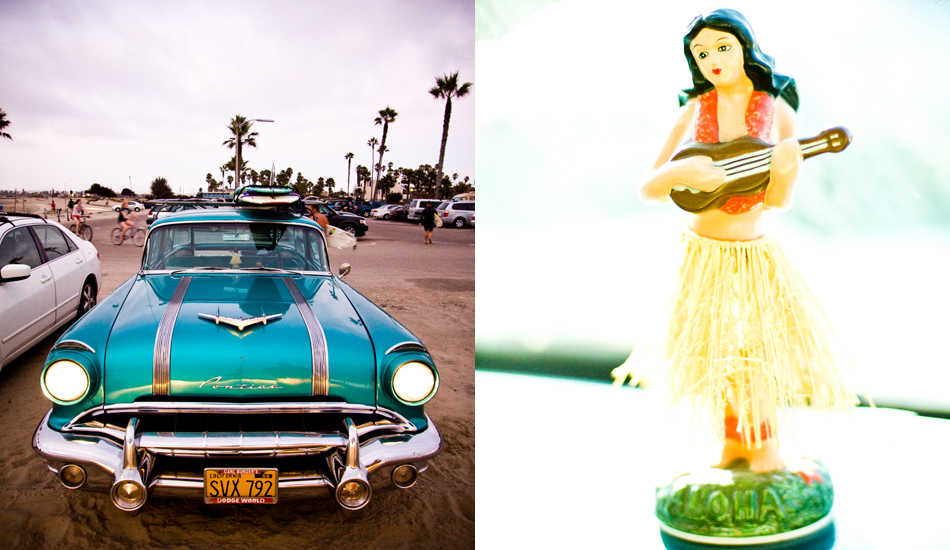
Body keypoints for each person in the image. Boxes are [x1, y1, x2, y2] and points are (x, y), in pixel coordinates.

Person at [639, 9, 855, 473]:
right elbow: (651, 188)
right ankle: (729, 447)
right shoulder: (692, 110)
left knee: (757, 356)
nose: (712, 59)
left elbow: (776, 200)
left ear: (744, 49)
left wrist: (785, 173)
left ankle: (766, 449)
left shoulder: (776, 109)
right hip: (699, 256)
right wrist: (682, 170)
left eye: (722, 47)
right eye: (701, 52)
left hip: (752, 258)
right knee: (713, 358)